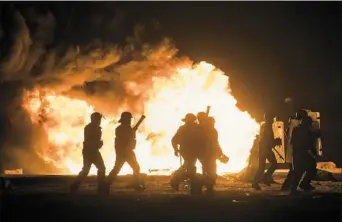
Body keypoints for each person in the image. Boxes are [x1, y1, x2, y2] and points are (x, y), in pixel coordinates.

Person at [106, 112, 145, 192]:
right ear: (125, 120)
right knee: (117, 169)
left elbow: (130, 137)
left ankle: (136, 184)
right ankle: (105, 185)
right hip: (124, 152)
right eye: (129, 119)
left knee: (135, 168)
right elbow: (123, 141)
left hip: (128, 151)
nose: (130, 121)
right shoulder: (121, 129)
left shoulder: (127, 128)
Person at [70, 112, 106, 193]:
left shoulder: (91, 127)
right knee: (101, 168)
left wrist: (98, 144)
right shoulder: (92, 128)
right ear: (95, 119)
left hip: (90, 151)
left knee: (87, 169)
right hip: (91, 151)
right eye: (99, 119)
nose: (100, 120)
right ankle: (101, 188)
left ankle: (74, 186)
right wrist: (99, 144)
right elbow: (91, 141)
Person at [170, 113, 202, 194]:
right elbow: (174, 140)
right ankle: (176, 181)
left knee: (188, 166)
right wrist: (176, 150)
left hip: (194, 151)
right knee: (190, 167)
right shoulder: (183, 129)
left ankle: (176, 181)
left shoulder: (197, 128)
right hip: (186, 151)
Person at [290, 115, 319, 194]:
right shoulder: (307, 131)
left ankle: (300, 185)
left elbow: (292, 142)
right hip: (302, 153)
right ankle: (302, 184)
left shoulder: (296, 129)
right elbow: (310, 144)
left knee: (299, 170)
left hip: (297, 153)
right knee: (309, 167)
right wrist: (315, 154)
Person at [281, 109, 307, 191]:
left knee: (294, 169)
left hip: (292, 148)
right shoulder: (297, 124)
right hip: (296, 149)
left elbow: (286, 132)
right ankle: (287, 185)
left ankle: (288, 185)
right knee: (295, 169)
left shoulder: (292, 123)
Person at [252, 112, 278, 190]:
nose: (273, 120)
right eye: (272, 118)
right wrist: (275, 141)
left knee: (262, 167)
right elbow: (267, 139)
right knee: (274, 164)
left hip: (264, 149)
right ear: (269, 119)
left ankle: (258, 181)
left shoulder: (264, 126)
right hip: (266, 149)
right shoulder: (267, 127)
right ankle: (264, 179)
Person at [201, 116, 225, 194]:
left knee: (212, 171)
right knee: (206, 171)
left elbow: (216, 143)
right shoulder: (203, 130)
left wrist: (221, 153)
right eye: (211, 123)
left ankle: (210, 186)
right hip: (205, 154)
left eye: (213, 123)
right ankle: (207, 186)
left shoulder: (214, 131)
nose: (213, 124)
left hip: (212, 154)